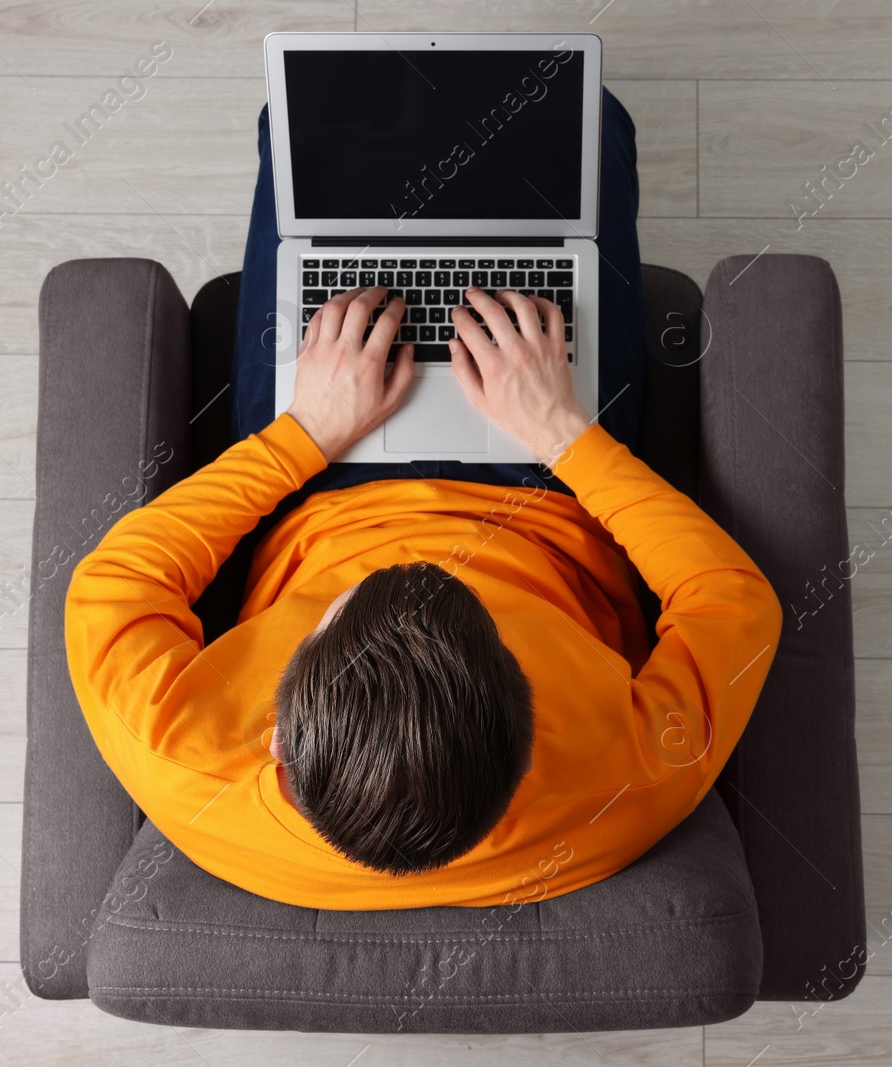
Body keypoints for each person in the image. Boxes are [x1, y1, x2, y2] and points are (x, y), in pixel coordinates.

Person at [64, 88, 782, 911]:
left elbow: (113, 585)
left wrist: (305, 431)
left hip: (314, 481)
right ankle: (575, 111)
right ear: (528, 728)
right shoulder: (622, 785)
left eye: (347, 611)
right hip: (548, 486)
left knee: (311, 162)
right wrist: (560, 431)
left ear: (275, 737)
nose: (419, 558)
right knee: (578, 140)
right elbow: (732, 601)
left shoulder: (184, 753)